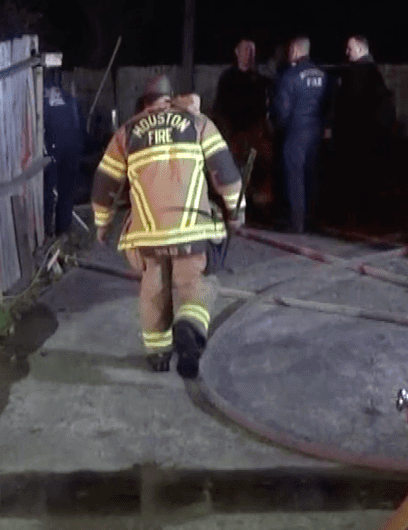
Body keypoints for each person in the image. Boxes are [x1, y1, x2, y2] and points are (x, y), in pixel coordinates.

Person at [91, 74, 242, 378]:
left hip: (148, 235)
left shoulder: (126, 132)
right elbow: (225, 172)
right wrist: (237, 211)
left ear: (143, 103)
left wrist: (102, 224)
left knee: (153, 289)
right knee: (194, 283)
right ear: (169, 97)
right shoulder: (198, 123)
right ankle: (189, 325)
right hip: (193, 230)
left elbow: (104, 184)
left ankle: (158, 354)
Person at [332, 35, 394, 226]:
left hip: (356, 137)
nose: (347, 53)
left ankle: (355, 217)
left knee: (355, 180)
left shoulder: (358, 73)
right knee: (368, 180)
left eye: (350, 49)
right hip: (371, 136)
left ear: (360, 49)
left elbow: (348, 107)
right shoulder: (374, 73)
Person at [211, 39, 273, 221]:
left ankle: (259, 214)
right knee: (236, 176)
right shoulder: (228, 78)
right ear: (237, 53)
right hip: (234, 136)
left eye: (253, 51)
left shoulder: (261, 80)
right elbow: (219, 109)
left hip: (256, 135)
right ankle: (236, 211)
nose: (250, 55)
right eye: (246, 50)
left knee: (258, 176)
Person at [271, 36, 328, 233]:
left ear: (295, 50)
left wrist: (280, 127)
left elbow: (283, 111)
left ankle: (296, 223)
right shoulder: (323, 74)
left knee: (294, 177)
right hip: (316, 131)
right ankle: (313, 220)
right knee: (312, 175)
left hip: (295, 131)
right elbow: (329, 103)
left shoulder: (290, 75)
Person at [42, 53, 85, 237]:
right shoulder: (69, 98)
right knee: (65, 193)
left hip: (53, 150)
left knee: (49, 194)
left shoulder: (42, 97)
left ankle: (48, 232)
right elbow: (78, 124)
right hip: (70, 148)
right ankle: (62, 230)